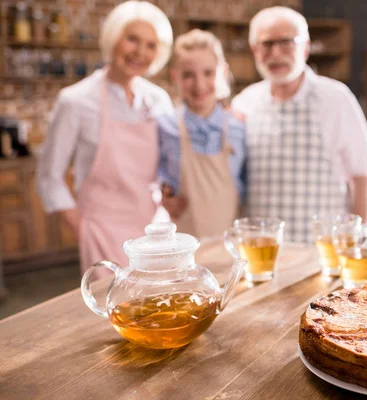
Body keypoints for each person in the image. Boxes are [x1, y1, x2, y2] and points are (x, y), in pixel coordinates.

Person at [36, 1, 174, 274]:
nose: (140, 52)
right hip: (101, 233)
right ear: (113, 38)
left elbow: (170, 163)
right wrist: (82, 228)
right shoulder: (75, 101)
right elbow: (49, 176)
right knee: (112, 312)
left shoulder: (159, 100)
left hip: (155, 231)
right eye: (132, 39)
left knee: (160, 310)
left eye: (150, 45)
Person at [232, 6, 367, 243]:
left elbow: (362, 177)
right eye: (267, 44)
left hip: (324, 252)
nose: (276, 53)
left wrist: (356, 243)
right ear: (254, 49)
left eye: (287, 42)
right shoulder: (244, 102)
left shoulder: (336, 99)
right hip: (262, 254)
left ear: (306, 47)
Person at [157, 29, 246, 238]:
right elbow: (154, 176)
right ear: (174, 76)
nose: (199, 85)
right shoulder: (166, 126)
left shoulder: (238, 125)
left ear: (223, 72)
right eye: (188, 75)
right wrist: (164, 193)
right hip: (182, 245)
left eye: (208, 73)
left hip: (233, 246)